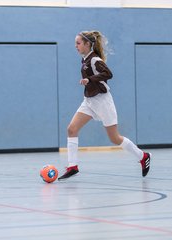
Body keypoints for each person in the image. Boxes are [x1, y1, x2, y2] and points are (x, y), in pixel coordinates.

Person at [58, 30, 151, 180]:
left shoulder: (94, 60)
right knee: (72, 129)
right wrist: (89, 82)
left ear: (88, 44)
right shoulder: (85, 60)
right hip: (89, 101)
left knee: (114, 138)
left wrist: (90, 79)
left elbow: (109, 74)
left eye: (78, 43)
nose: (76, 46)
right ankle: (72, 166)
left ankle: (143, 156)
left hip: (102, 101)